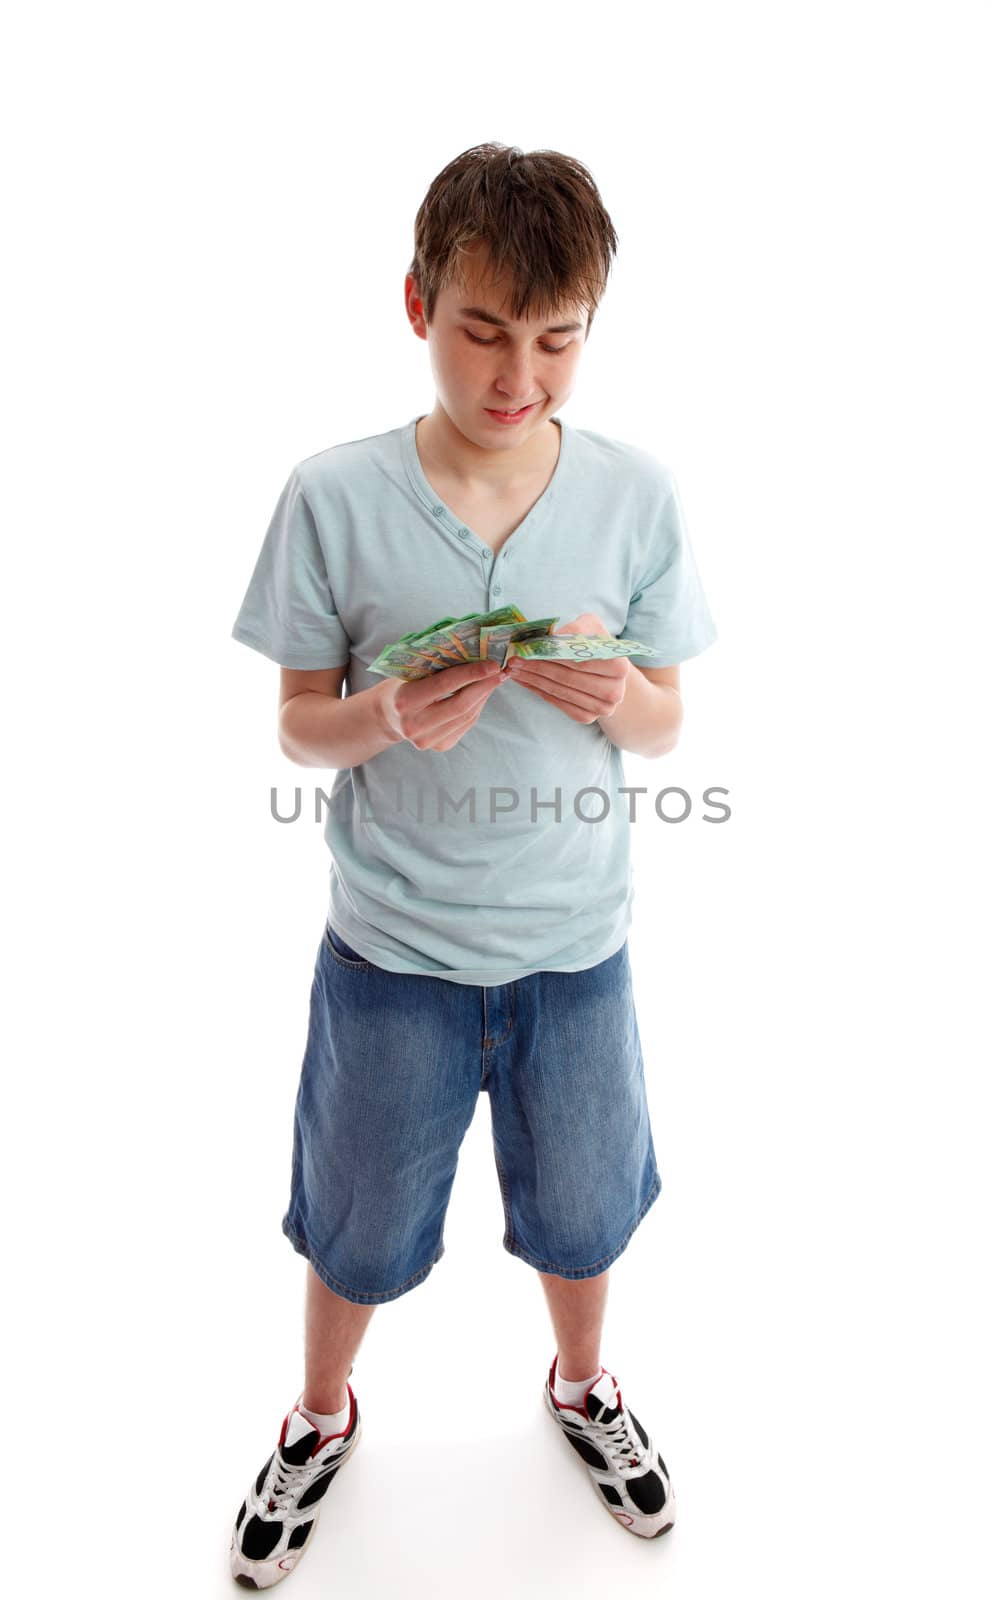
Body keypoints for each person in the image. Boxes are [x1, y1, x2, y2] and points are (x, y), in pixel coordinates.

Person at [227, 142, 717, 1588]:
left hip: (578, 946)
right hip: (390, 953)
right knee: (356, 1221)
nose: (518, 377)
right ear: (417, 306)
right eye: (483, 331)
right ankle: (319, 1419)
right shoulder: (332, 494)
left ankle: (582, 1391)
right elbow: (298, 728)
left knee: (580, 1208)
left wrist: (609, 691)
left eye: (556, 340)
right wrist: (385, 712)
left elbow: (669, 721)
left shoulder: (636, 494)